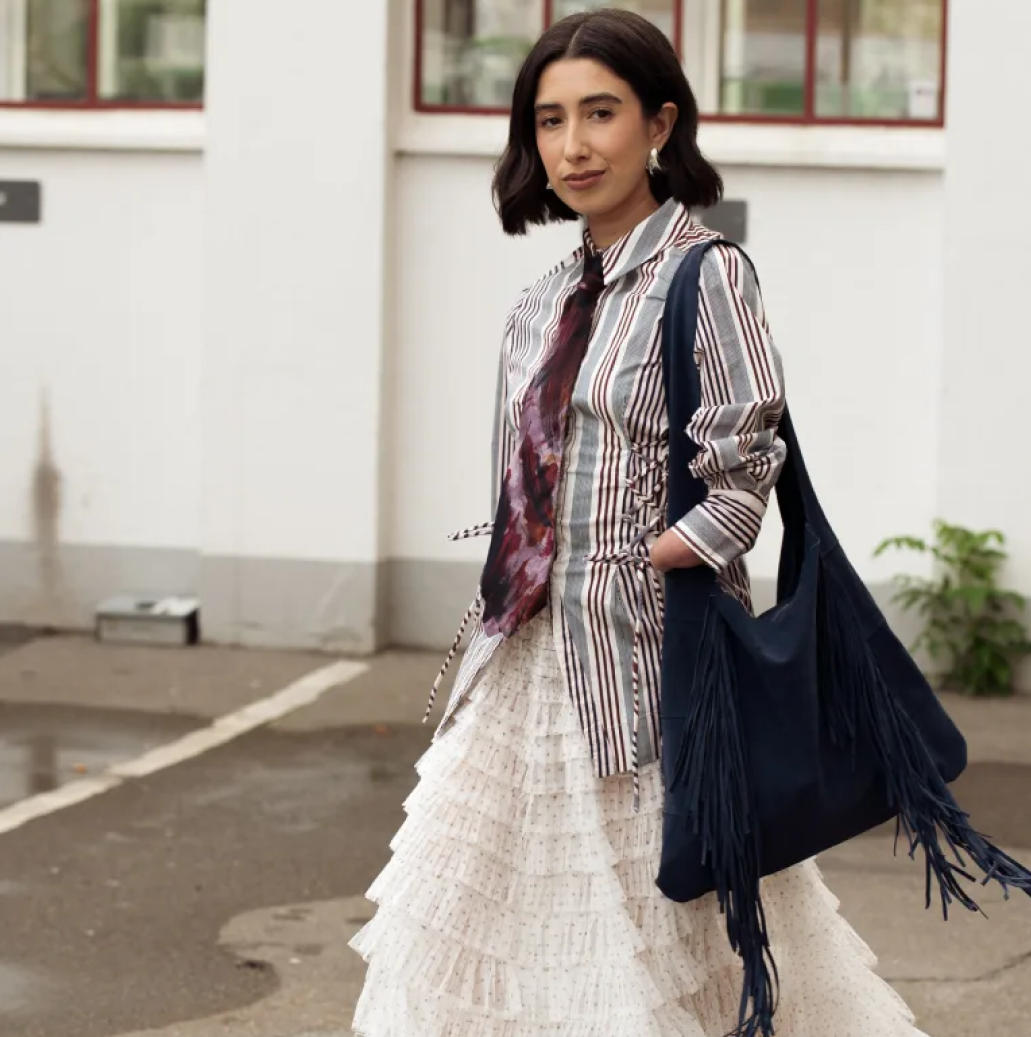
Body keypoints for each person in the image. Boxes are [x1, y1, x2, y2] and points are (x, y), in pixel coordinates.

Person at [348, 10, 923, 1035]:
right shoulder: (540, 299)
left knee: (650, 950)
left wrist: (644, 554)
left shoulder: (709, 275)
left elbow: (744, 477)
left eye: (600, 113)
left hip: (649, 674)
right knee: (481, 931)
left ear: (659, 122)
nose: (572, 145)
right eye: (549, 119)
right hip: (520, 660)